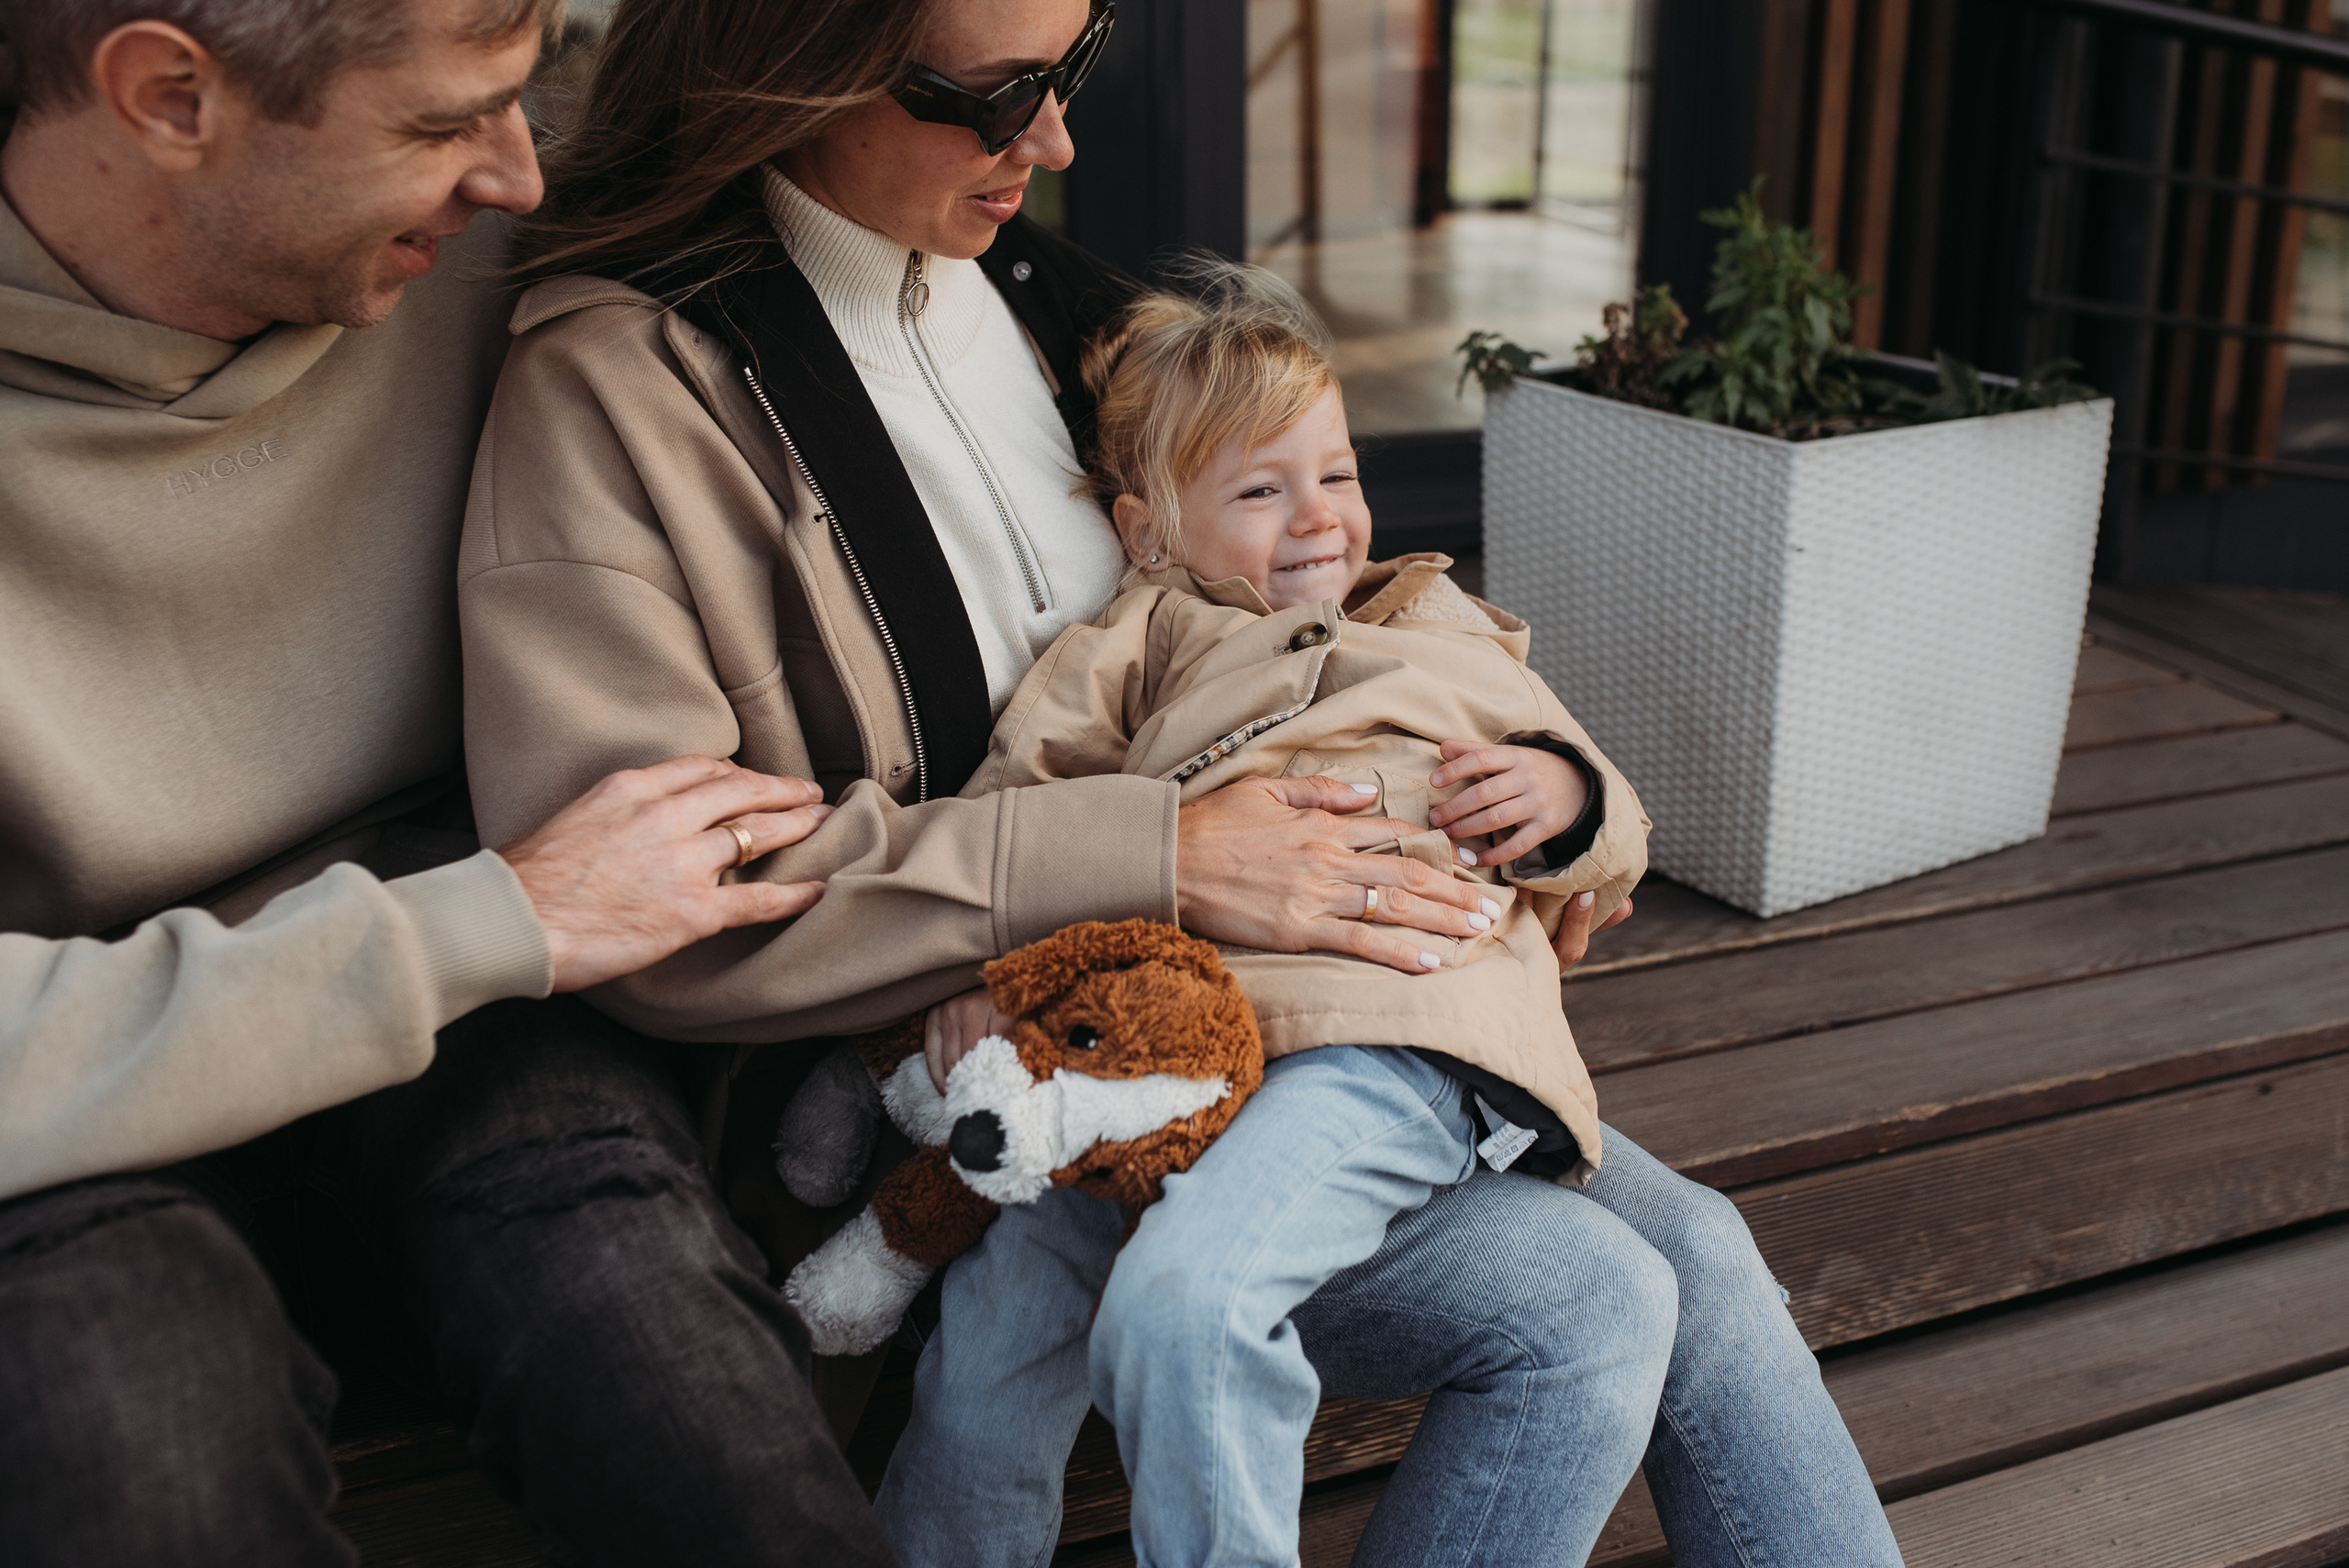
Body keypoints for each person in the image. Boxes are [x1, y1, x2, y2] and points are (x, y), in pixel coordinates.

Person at [462, 0, 1905, 1564]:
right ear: (793, 59)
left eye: (1070, 75)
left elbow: (1326, 628)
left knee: (1693, 1243)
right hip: (985, 1066)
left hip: (1286, 999)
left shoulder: (1052, 308)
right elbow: (660, 891)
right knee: (1608, 1289)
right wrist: (1161, 857)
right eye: (996, 93)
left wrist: (1539, 820)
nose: (1057, 141)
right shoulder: (628, 383)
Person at [0, 3, 896, 1563]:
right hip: (76, 1092)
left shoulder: (478, 258)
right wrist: (486, 924)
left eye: (526, 94)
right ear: (167, 97)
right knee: (139, 1428)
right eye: (439, 125)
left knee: (661, 1354)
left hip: (468, 1013)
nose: (522, 177)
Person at [868, 261, 1660, 1565]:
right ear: (1147, 531)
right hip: (1144, 1056)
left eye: (1336, 473)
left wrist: (1568, 794)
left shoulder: (1434, 624)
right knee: (990, 1341)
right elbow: (1020, 812)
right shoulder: (1135, 643)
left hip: (1382, 1032)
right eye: (1258, 488)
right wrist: (982, 967)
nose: (1319, 520)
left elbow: (1607, 821)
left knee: (1193, 1299)